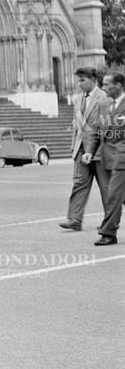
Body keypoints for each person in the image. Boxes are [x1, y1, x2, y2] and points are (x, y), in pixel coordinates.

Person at [59, 67, 109, 231]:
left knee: (106, 187)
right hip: (81, 149)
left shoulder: (104, 97)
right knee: (79, 184)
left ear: (93, 79)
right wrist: (73, 145)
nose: (79, 84)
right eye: (78, 80)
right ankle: (74, 219)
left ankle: (109, 220)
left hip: (100, 150)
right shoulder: (78, 98)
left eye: (83, 80)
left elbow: (106, 127)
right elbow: (76, 126)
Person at [85, 72, 125, 246]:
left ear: (119, 85)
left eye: (108, 84)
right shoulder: (103, 105)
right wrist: (89, 151)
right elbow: (95, 130)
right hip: (105, 157)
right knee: (119, 196)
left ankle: (108, 232)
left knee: (113, 195)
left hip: (122, 157)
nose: (104, 88)